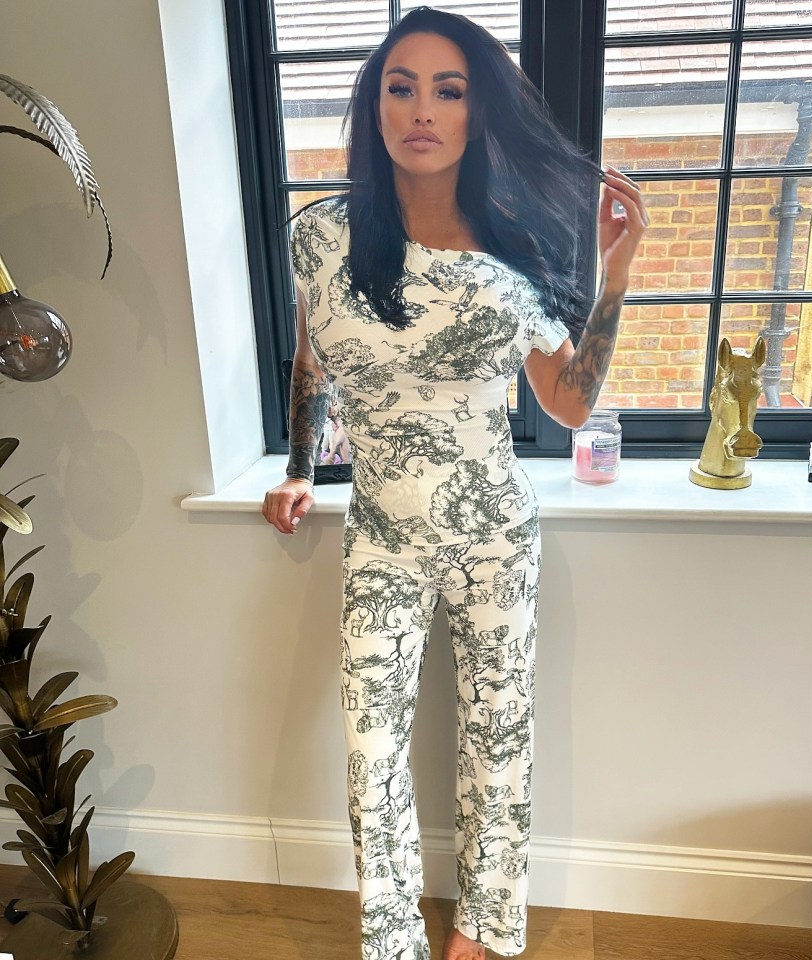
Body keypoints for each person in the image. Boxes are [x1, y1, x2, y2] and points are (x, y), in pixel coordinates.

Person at [262, 8, 647, 960]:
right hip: (383, 527)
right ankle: (390, 937)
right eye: (400, 87)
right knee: (369, 745)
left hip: (492, 531)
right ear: (374, 106)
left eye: (448, 89)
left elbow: (565, 402)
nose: (421, 110)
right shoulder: (320, 237)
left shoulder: (515, 244)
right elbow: (313, 363)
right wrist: (300, 472)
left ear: (478, 113)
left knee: (497, 730)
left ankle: (484, 927)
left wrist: (616, 275)